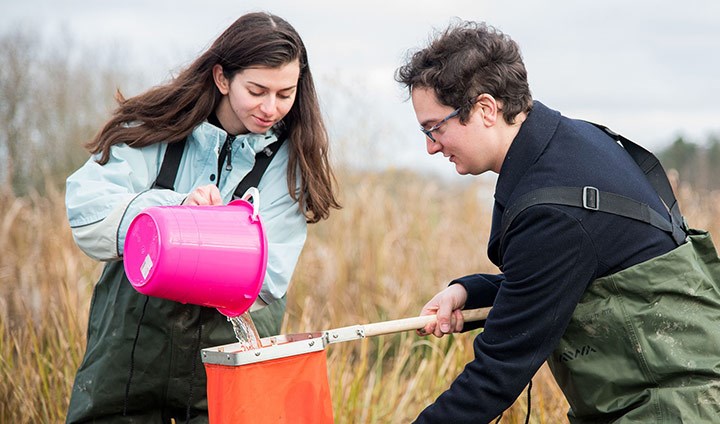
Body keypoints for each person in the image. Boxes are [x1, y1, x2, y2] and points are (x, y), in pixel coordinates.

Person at [396, 20, 720, 423]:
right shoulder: (571, 145)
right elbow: (580, 276)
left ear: (485, 108)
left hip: (673, 407)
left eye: (434, 128)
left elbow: (497, 373)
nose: (430, 147)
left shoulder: (551, 208)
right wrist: (472, 291)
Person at [65, 12, 340, 423]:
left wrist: (193, 235)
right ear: (222, 78)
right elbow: (88, 214)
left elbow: (269, 279)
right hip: (128, 356)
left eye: (285, 94)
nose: (271, 108)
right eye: (257, 90)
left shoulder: (293, 162)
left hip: (228, 363)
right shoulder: (152, 126)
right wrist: (174, 214)